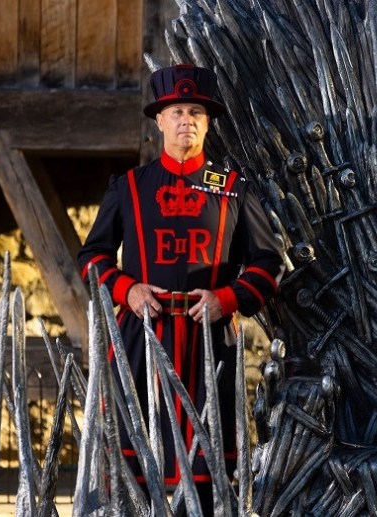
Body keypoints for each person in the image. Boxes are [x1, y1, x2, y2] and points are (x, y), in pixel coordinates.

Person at [77, 64, 284, 514]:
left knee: (206, 479)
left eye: (195, 112)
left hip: (210, 347)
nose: (186, 119)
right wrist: (127, 290)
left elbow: (270, 263)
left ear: (207, 123)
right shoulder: (129, 188)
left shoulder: (233, 191)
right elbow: (90, 257)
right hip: (140, 342)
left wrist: (226, 299)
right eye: (176, 111)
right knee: (133, 475)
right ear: (159, 121)